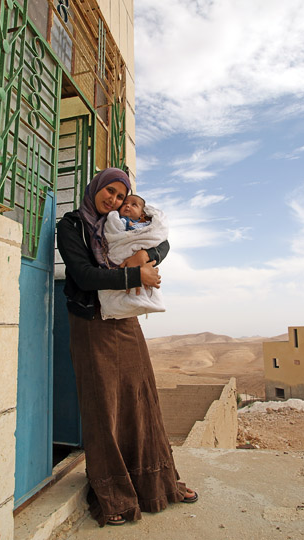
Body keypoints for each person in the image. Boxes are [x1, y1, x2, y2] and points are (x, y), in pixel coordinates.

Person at [56, 167, 198, 527]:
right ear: (97, 188)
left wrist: (144, 258)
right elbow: (84, 275)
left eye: (121, 196)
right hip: (90, 321)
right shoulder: (73, 225)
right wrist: (135, 275)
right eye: (110, 192)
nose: (114, 200)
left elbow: (162, 241)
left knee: (141, 397)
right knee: (103, 405)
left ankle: (159, 483)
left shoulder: (120, 223)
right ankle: (112, 494)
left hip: (123, 319)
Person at [98, 194, 168, 320]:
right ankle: (117, 305)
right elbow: (112, 236)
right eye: (124, 204)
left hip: (142, 264)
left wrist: (144, 254)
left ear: (142, 214)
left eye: (133, 204)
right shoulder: (116, 221)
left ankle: (143, 301)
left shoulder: (147, 225)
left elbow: (159, 239)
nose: (127, 206)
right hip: (118, 263)